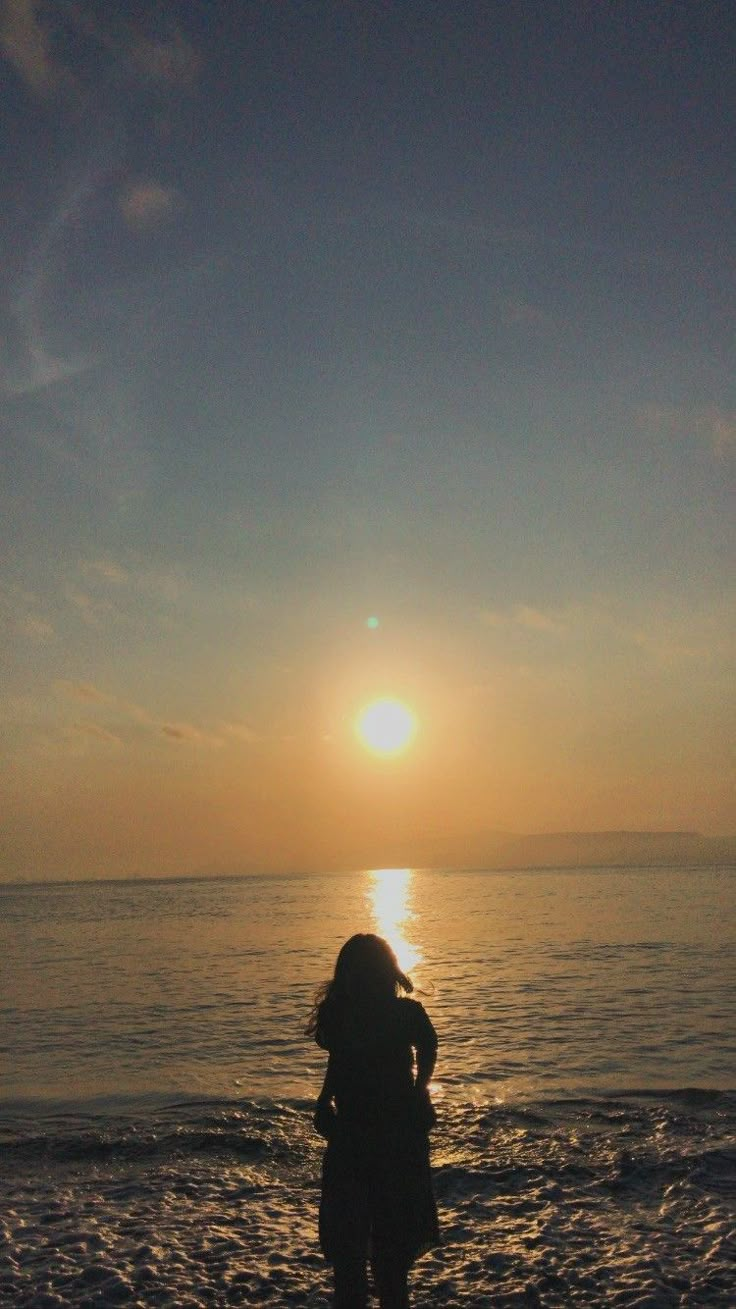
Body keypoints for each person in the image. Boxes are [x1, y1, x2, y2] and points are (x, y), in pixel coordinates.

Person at [307, 933, 439, 1309]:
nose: (359, 979)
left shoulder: (404, 1013)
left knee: (386, 1258)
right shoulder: (347, 1016)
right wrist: (324, 1099)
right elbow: (340, 1062)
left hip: (391, 1135)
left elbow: (428, 1045)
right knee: (355, 1255)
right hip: (357, 1134)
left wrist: (418, 1088)